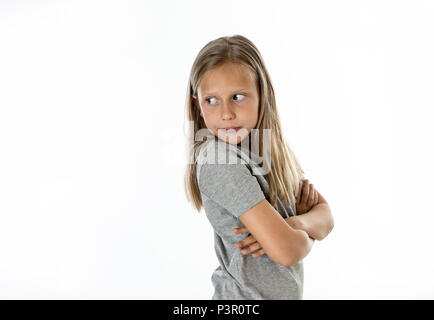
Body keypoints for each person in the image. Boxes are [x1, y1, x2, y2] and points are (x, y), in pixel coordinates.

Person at [183, 34, 334, 300]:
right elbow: (286, 252)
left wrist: (293, 224)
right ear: (197, 103)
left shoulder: (268, 149)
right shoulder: (220, 160)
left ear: (262, 93)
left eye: (237, 97)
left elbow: (327, 219)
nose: (226, 113)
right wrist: (304, 233)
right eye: (212, 100)